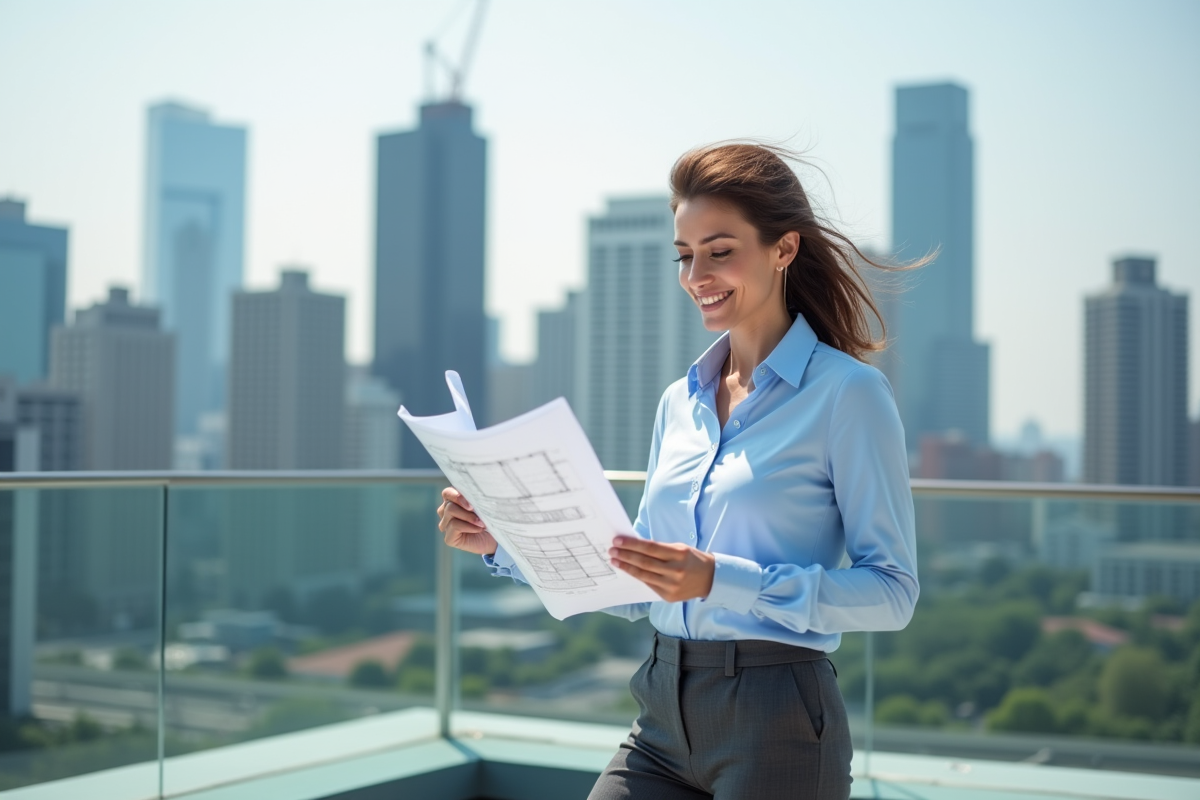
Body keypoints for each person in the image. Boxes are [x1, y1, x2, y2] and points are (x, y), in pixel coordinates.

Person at [436, 142, 919, 800]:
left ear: (784, 249)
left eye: (719, 251)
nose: (696, 275)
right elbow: (642, 582)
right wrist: (502, 542)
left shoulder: (847, 394)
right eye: (685, 255)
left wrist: (720, 579)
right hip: (661, 708)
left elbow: (893, 593)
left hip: (778, 715)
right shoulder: (679, 402)